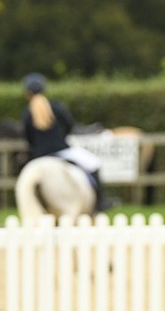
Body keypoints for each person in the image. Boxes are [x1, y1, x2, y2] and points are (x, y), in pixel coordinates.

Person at [20, 72, 116, 213]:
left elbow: (28, 138)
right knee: (94, 163)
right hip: (62, 152)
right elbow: (70, 127)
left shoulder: (27, 113)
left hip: (39, 156)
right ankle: (101, 203)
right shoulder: (56, 107)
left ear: (27, 94)